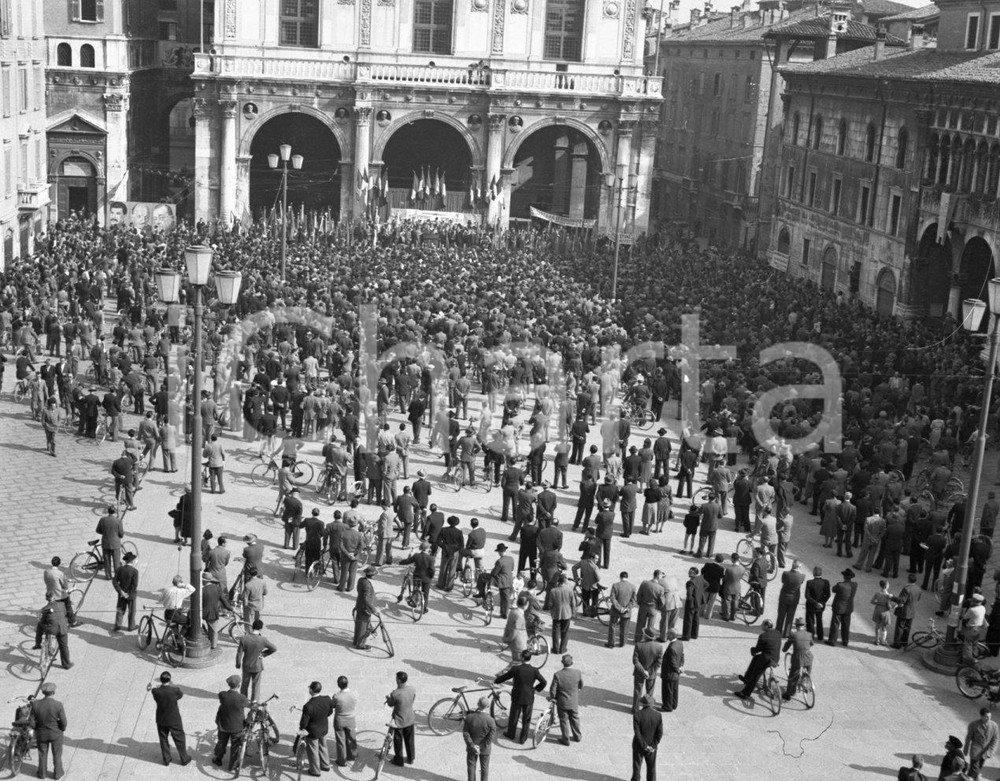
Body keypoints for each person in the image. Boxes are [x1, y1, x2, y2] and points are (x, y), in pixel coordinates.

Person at [494, 650, 547, 744]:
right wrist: (535, 689)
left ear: (522, 658)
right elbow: (544, 682)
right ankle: (523, 739)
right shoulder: (534, 670)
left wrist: (496, 681)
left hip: (517, 696)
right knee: (526, 719)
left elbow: (505, 677)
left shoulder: (516, 669)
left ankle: (511, 734)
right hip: (528, 697)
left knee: (514, 717)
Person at [733, 619, 782, 700]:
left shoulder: (763, 636)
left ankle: (745, 693)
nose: (761, 626)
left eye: (763, 625)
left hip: (766, 659)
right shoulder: (778, 632)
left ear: (766, 626)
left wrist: (752, 650)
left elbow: (757, 649)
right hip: (775, 658)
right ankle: (747, 678)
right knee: (756, 658)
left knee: (755, 675)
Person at [150, 671, 191, 766]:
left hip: (161, 719)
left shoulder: (156, 691)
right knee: (179, 738)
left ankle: (166, 759)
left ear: (161, 680)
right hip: (174, 719)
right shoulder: (175, 690)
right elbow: (180, 695)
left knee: (163, 739)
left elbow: (153, 691)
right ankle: (184, 758)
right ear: (169, 679)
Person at [30, 682, 67, 780]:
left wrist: (37, 728)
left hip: (42, 733)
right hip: (55, 733)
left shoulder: (35, 704)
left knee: (42, 754)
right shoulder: (58, 705)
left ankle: (42, 774)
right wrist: (62, 729)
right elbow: (63, 722)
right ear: (53, 692)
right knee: (57, 754)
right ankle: (58, 774)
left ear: (43, 692)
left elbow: (32, 722)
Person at [212, 675, 248, 770]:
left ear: (229, 685)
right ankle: (232, 765)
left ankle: (218, 758)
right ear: (239, 685)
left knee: (221, 742)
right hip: (237, 727)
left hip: (224, 725)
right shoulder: (242, 698)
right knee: (235, 746)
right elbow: (247, 704)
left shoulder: (222, 695)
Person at [235, 619, 277, 701]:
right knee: (256, 686)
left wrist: (238, 663)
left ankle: (243, 700)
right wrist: (264, 654)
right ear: (261, 629)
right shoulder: (263, 640)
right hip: (257, 666)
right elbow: (274, 648)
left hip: (246, 665)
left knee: (244, 684)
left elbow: (239, 653)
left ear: (252, 627)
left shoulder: (244, 638)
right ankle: (254, 701)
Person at [298, 681, 334, 776]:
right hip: (324, 728)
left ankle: (315, 770)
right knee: (323, 746)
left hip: (312, 732)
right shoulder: (327, 699)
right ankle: (325, 765)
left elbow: (304, 723)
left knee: (313, 750)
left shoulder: (308, 706)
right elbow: (330, 712)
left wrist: (302, 730)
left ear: (311, 690)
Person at [549, 654, 583, 745]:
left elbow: (553, 689)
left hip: (562, 702)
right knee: (575, 718)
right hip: (573, 701)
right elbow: (580, 685)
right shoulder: (578, 672)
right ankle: (577, 736)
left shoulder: (558, 675)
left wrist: (553, 697)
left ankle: (565, 739)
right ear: (572, 662)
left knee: (563, 720)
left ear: (562, 663)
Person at [385, 671, 416, 766]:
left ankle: (399, 761)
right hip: (410, 718)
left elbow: (391, 704)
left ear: (398, 680)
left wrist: (388, 698)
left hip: (399, 721)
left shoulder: (395, 693)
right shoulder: (412, 689)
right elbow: (413, 698)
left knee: (398, 742)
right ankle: (411, 758)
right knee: (410, 740)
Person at [463, 695, 496, 781]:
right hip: (485, 748)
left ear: (478, 704)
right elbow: (491, 736)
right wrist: (481, 746)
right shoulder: (491, 720)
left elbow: (466, 733)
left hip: (471, 748)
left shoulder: (469, 718)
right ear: (488, 706)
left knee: (471, 767)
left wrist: (473, 745)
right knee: (484, 768)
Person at [632, 627, 664, 712]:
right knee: (650, 692)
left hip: (639, 672)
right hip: (652, 673)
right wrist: (649, 672)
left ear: (645, 636)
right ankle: (648, 709)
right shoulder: (659, 647)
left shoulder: (639, 645)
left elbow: (635, 660)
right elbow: (658, 662)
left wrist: (643, 671)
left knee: (637, 690)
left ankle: (635, 709)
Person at [631, 695, 663, 781]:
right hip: (652, 746)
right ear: (651, 704)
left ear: (642, 704)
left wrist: (645, 746)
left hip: (638, 745)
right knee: (651, 767)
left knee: (637, 766)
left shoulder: (637, 715)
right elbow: (659, 733)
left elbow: (637, 734)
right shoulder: (658, 715)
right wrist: (653, 746)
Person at [781, 617, 814, 700]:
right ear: (804, 625)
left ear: (796, 626)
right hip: (808, 657)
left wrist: (784, 649)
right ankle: (806, 682)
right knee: (807, 672)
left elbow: (787, 644)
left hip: (798, 658)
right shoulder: (809, 634)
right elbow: (811, 643)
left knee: (792, 676)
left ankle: (789, 694)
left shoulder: (793, 634)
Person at [35, 596, 72, 669]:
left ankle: (38, 643)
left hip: (52, 630)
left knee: (40, 625)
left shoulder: (45, 609)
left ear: (46, 599)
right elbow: (65, 613)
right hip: (63, 628)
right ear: (54, 598)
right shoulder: (62, 604)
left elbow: (43, 620)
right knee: (64, 646)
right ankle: (66, 664)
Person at [966, 707, 1000, 779]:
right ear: (981, 716)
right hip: (975, 751)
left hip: (985, 753)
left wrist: (990, 751)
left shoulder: (994, 726)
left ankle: (967, 778)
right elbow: (968, 738)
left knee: (977, 768)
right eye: (986, 717)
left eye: (990, 716)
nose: (989, 718)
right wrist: (966, 749)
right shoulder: (973, 724)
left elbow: (995, 739)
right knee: (975, 769)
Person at [827, 568, 858, 647]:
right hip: (848, 607)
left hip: (838, 607)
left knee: (835, 624)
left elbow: (833, 590)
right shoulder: (855, 585)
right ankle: (845, 640)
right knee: (846, 625)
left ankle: (832, 640)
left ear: (844, 577)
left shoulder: (840, 585)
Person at [332, 676, 358, 767]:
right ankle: (352, 755)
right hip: (351, 719)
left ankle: (342, 760)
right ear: (347, 683)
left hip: (339, 720)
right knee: (352, 738)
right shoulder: (354, 694)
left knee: (340, 741)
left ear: (338, 685)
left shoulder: (336, 696)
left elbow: (333, 705)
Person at [776, 560, 806, 638]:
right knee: (790, 617)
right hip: (794, 599)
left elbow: (783, 581)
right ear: (799, 567)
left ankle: (778, 631)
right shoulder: (802, 576)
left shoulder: (786, 573)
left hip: (784, 597)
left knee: (781, 616)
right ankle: (787, 633)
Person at [891, 573, 921, 648]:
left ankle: (897, 644)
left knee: (900, 627)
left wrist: (892, 597)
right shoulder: (918, 589)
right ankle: (904, 642)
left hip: (904, 611)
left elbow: (902, 600)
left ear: (908, 579)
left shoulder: (906, 589)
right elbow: (918, 598)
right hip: (912, 611)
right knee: (907, 627)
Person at [608, 570, 637, 647]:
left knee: (613, 626)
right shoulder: (632, 587)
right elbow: (634, 601)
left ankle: (611, 643)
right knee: (625, 628)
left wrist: (619, 608)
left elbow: (612, 598)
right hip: (626, 611)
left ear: (620, 577)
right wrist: (627, 608)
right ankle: (622, 643)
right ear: (627, 577)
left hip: (615, 610)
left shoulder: (615, 585)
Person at [112, 550, 139, 632]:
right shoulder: (135, 571)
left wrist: (121, 592)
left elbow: (115, 582)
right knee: (132, 611)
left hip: (121, 594)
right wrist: (128, 594)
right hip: (131, 595)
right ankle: (131, 626)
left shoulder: (119, 569)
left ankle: (118, 625)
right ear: (132, 561)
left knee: (120, 610)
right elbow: (134, 585)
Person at [95, 506, 124, 580]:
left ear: (108, 512)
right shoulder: (118, 521)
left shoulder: (102, 520)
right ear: (115, 512)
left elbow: (98, 530)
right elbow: (121, 534)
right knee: (116, 561)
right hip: (115, 543)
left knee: (107, 561)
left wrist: (105, 533)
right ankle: (117, 576)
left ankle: (108, 576)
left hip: (106, 542)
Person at [804, 566, 831, 642]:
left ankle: (811, 636)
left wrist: (815, 603)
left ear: (813, 573)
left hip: (811, 605)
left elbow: (807, 596)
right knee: (819, 620)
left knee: (810, 621)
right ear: (821, 573)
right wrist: (821, 603)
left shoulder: (809, 582)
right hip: (821, 605)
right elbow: (828, 595)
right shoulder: (826, 582)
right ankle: (820, 636)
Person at [354, 565, 378, 649]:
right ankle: (360, 645)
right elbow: (366, 599)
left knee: (359, 625)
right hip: (365, 608)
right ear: (372, 576)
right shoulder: (367, 585)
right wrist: (373, 609)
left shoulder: (361, 580)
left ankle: (356, 640)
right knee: (363, 627)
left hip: (359, 604)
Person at [661, 630, 684, 712]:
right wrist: (681, 666)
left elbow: (672, 663)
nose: (666, 635)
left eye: (668, 634)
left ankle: (667, 707)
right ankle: (674, 704)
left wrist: (677, 669)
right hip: (676, 674)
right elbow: (682, 655)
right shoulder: (680, 643)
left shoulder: (672, 648)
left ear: (671, 635)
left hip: (669, 673)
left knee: (668, 691)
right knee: (674, 689)